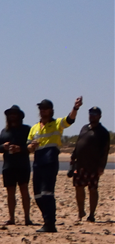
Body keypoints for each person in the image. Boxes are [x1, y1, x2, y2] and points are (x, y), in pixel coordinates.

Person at [28, 96, 82, 233]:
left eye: (45, 108)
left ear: (51, 110)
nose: (42, 111)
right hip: (37, 163)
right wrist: (30, 146)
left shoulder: (57, 124)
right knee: (38, 196)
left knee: (47, 193)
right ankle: (47, 219)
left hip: (50, 161)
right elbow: (28, 146)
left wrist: (75, 107)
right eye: (41, 108)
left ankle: (50, 223)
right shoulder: (34, 127)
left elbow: (70, 119)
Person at [70, 106, 108, 224]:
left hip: (93, 166)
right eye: (91, 113)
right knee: (78, 187)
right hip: (80, 164)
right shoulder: (84, 128)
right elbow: (78, 143)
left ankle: (91, 215)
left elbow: (105, 151)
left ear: (99, 116)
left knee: (93, 189)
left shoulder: (103, 132)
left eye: (95, 114)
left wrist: (101, 166)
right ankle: (81, 212)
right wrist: (73, 157)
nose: (92, 116)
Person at [0, 105, 32, 226]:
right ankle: (11, 218)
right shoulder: (4, 131)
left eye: (15, 114)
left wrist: (20, 149)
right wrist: (4, 147)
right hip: (8, 165)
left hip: (22, 165)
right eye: (10, 114)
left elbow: (31, 146)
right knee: (10, 192)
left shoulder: (26, 130)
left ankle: (27, 218)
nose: (12, 116)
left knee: (24, 190)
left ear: (19, 116)